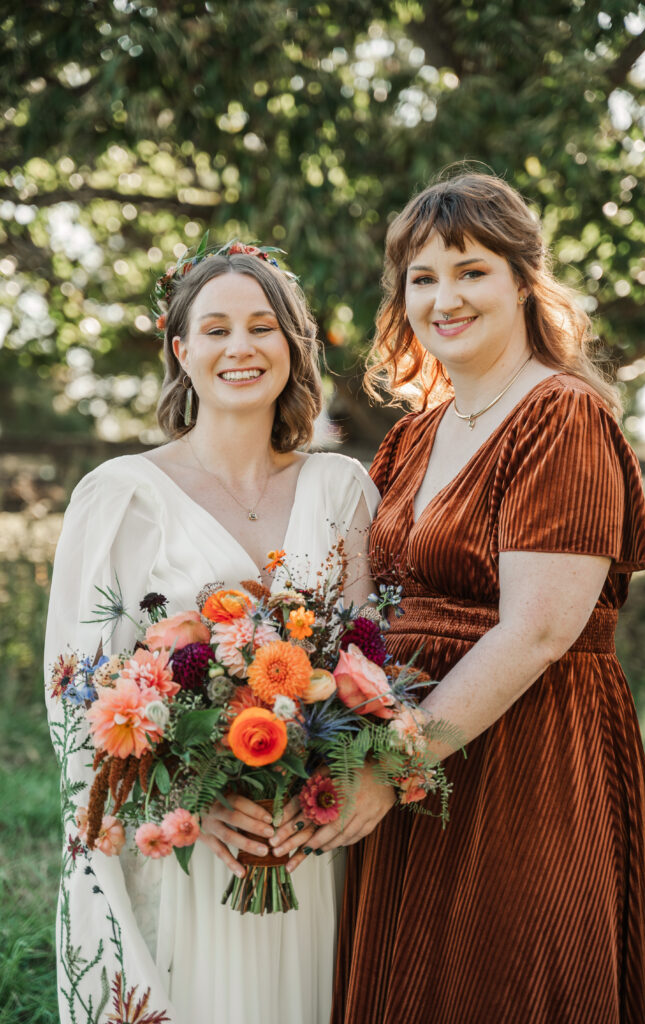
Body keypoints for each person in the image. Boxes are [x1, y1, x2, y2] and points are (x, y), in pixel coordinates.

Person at [321, 173, 645, 1022]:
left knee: (500, 981)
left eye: (470, 270)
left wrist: (390, 768)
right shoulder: (409, 437)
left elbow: (539, 631)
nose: (445, 298)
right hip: (410, 745)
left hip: (525, 752)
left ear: (521, 279)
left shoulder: (563, 417)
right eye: (422, 278)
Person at [44, 241, 379, 1024]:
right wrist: (188, 802)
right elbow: (78, 698)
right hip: (191, 848)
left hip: (310, 841)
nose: (241, 347)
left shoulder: (342, 487)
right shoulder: (122, 496)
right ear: (181, 348)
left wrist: (333, 778)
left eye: (263, 327)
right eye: (217, 328)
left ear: (293, 347)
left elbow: (370, 666)